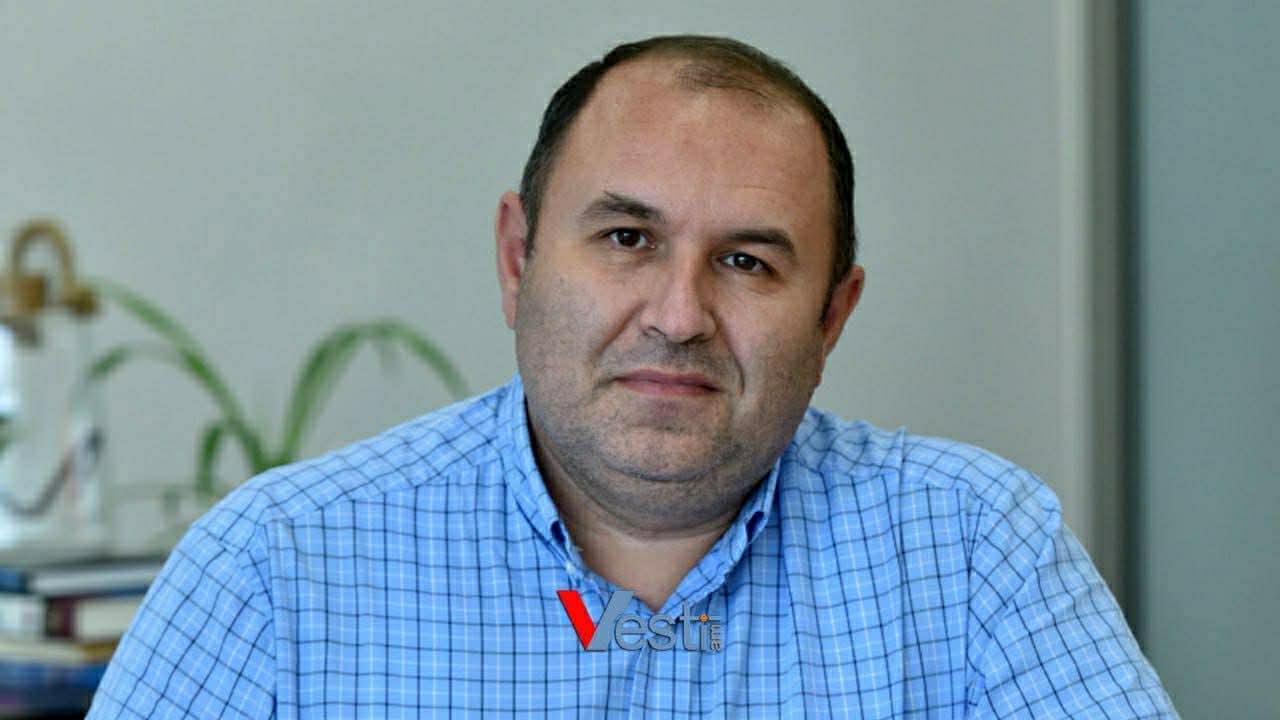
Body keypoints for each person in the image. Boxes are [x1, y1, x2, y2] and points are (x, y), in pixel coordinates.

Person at [89, 35, 1176, 718]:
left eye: (746, 262)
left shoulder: (975, 550)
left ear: (832, 316)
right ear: (517, 260)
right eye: (625, 239)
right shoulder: (277, 569)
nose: (677, 315)